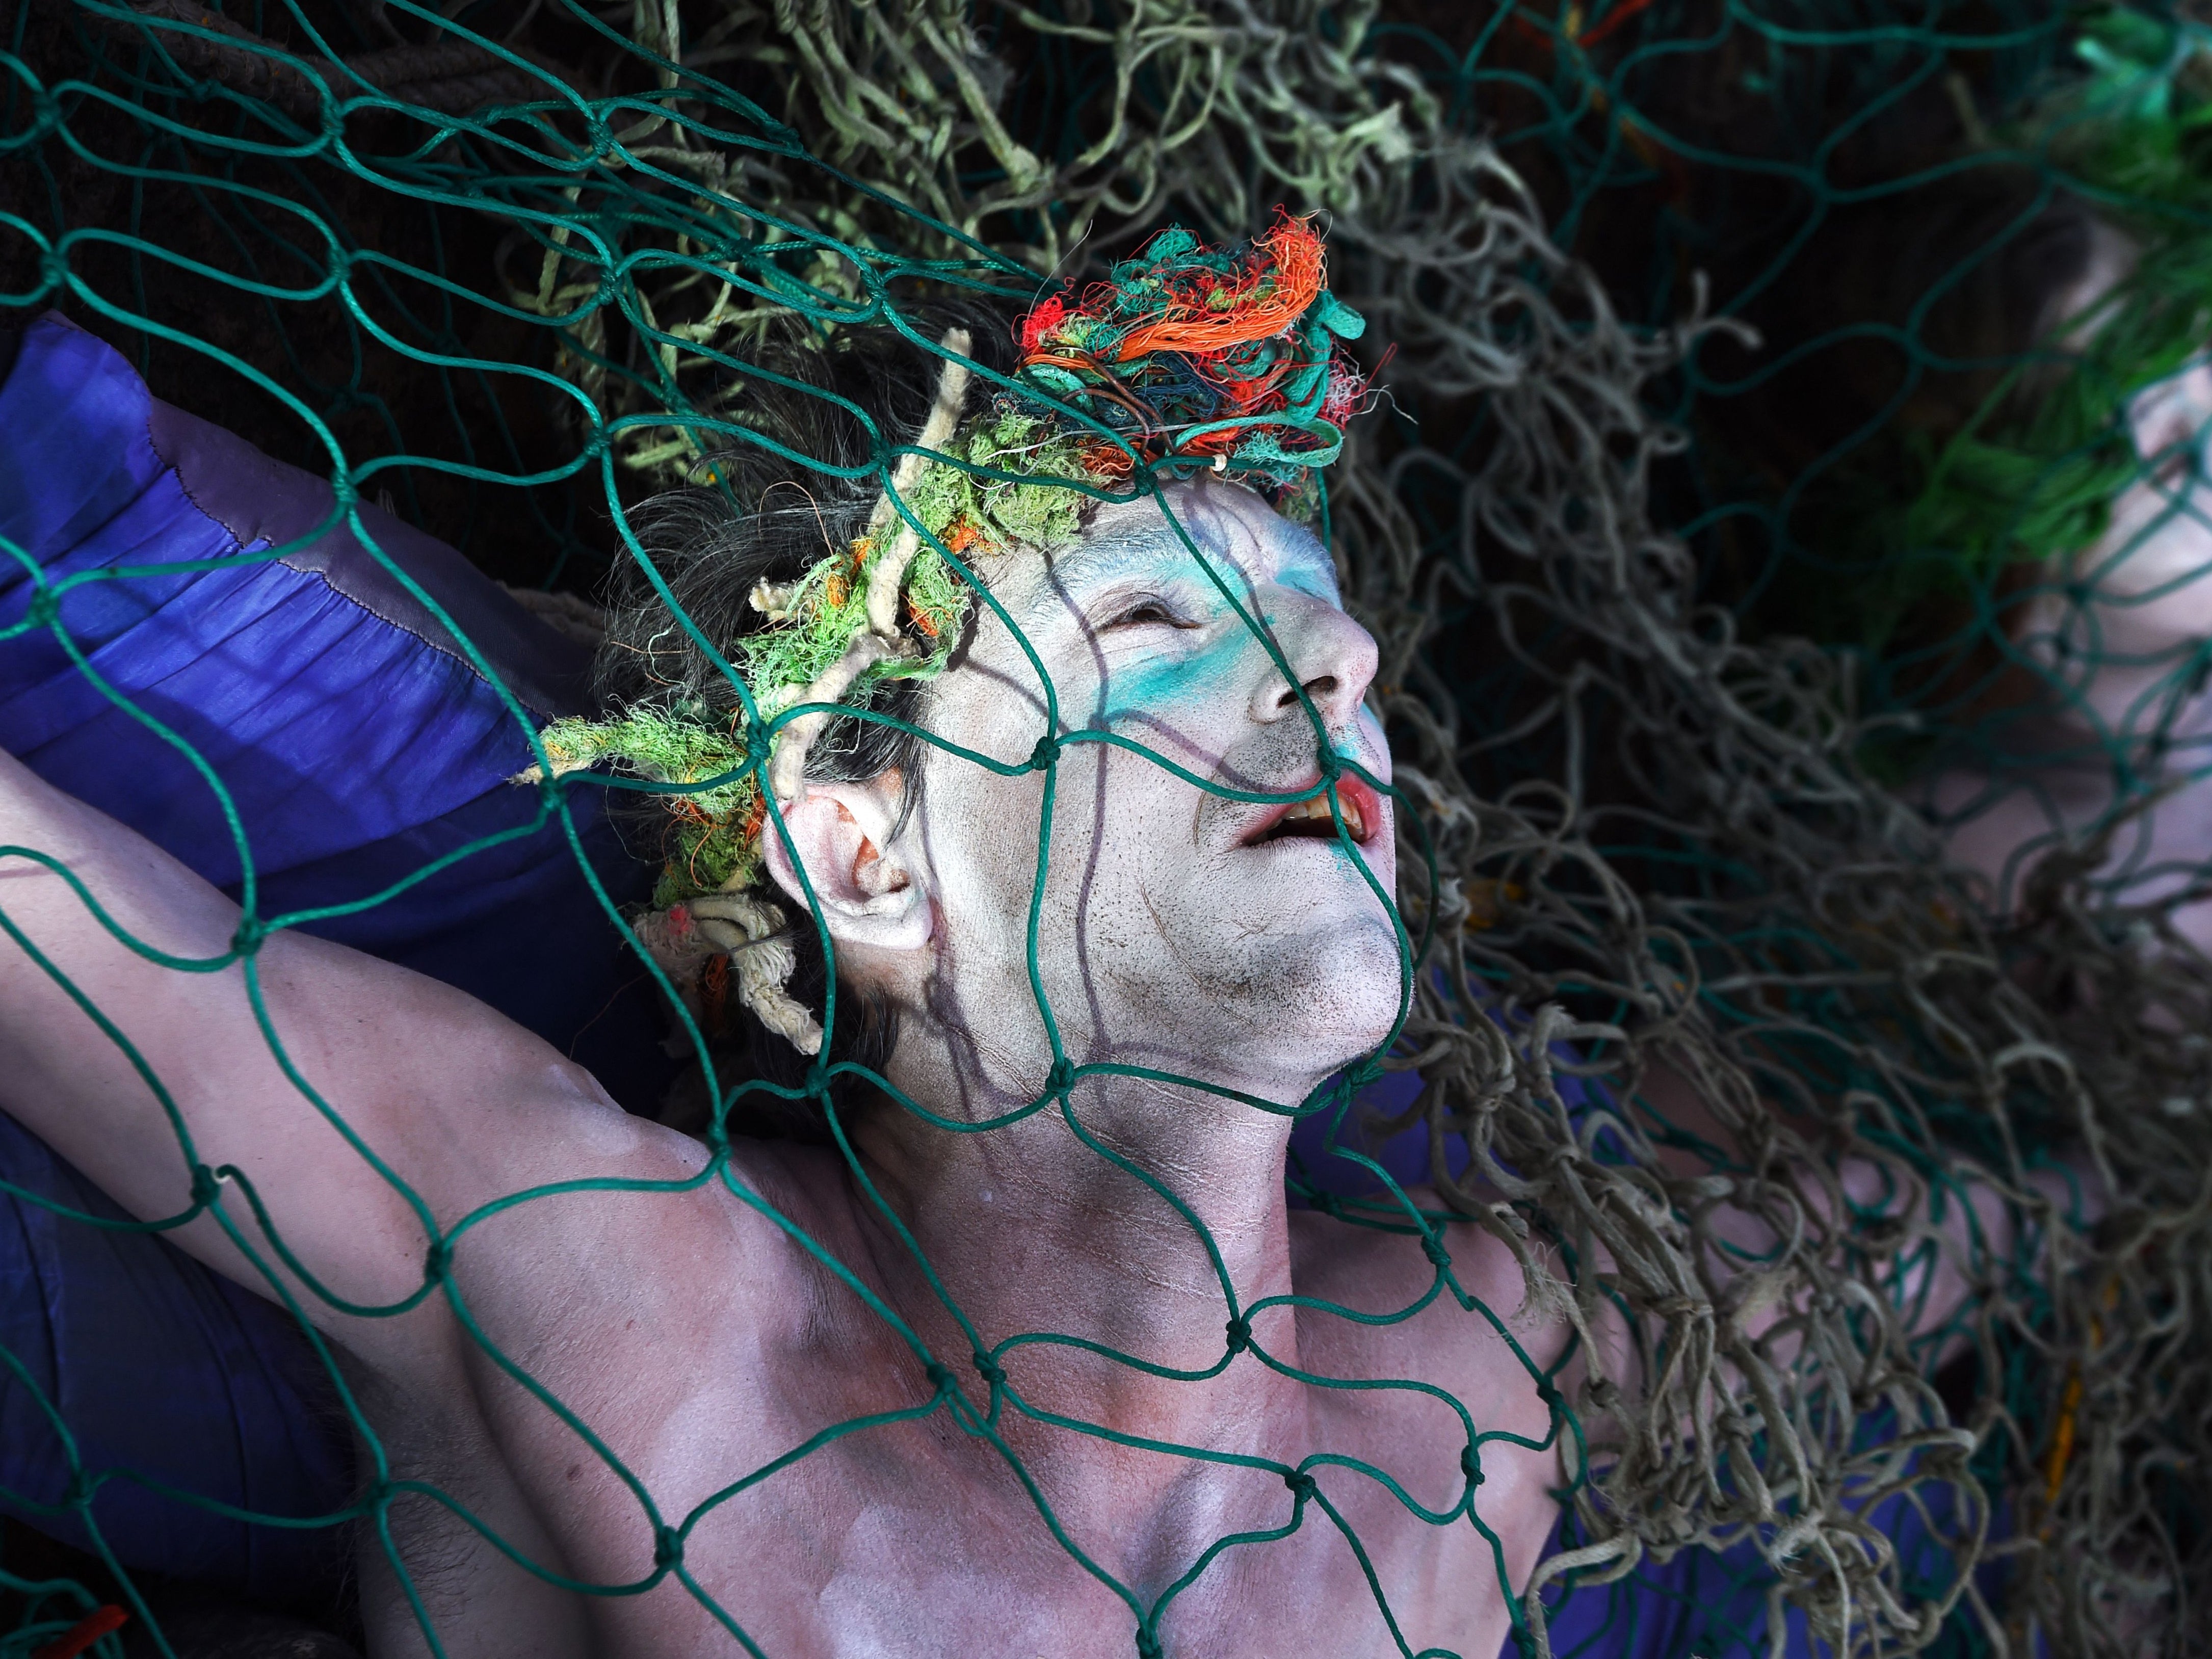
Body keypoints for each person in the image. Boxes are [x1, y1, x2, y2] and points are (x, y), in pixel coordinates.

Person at [0, 224, 2047, 1657]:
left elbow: (1861, 1253)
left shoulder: (1472, 1389)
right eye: (1159, 629)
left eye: (1330, 648)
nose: (1328, 670)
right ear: (866, 855)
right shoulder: (630, 1318)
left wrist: (2088, 1190)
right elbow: (107, 969)